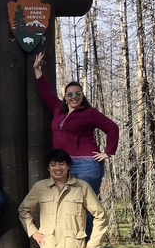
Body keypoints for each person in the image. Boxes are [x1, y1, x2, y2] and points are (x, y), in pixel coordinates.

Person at [33, 52, 119, 236]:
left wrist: (108, 152)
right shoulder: (58, 109)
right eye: (70, 94)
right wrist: (37, 69)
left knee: (86, 206)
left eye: (77, 94)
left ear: (82, 95)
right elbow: (47, 92)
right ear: (65, 97)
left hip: (87, 164)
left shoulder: (89, 113)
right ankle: (70, 244)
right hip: (64, 165)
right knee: (67, 206)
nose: (74, 97)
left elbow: (112, 128)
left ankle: (87, 247)